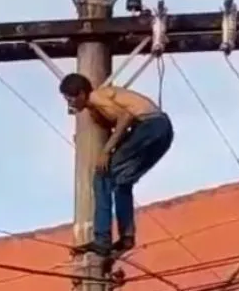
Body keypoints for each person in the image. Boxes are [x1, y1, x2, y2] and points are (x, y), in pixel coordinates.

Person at [59, 73, 174, 256]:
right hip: (163, 131)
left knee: (102, 176)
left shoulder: (98, 96)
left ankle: (102, 239)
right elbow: (116, 124)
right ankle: (126, 237)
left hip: (149, 127)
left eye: (70, 98)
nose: (69, 104)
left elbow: (125, 116)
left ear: (81, 93)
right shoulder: (95, 108)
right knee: (122, 181)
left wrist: (106, 151)